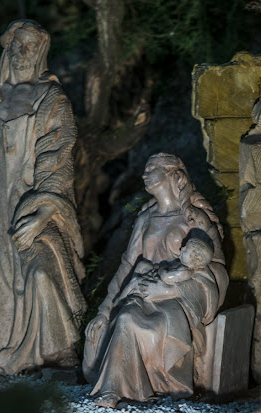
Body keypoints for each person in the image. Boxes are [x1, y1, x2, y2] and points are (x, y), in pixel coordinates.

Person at [0, 19, 86, 377]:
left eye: (30, 45)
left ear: (41, 50)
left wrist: (43, 215)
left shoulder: (51, 99)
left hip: (31, 204)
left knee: (39, 270)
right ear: (7, 46)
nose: (22, 51)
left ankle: (49, 353)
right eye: (17, 43)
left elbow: (58, 163)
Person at [83, 153, 228, 408]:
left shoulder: (194, 218)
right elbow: (127, 266)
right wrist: (104, 310)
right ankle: (115, 388)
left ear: (173, 174)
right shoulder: (145, 219)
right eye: (145, 169)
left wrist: (169, 289)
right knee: (125, 317)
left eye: (152, 169)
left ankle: (165, 384)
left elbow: (212, 267)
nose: (144, 174)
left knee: (150, 321)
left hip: (177, 297)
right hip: (141, 290)